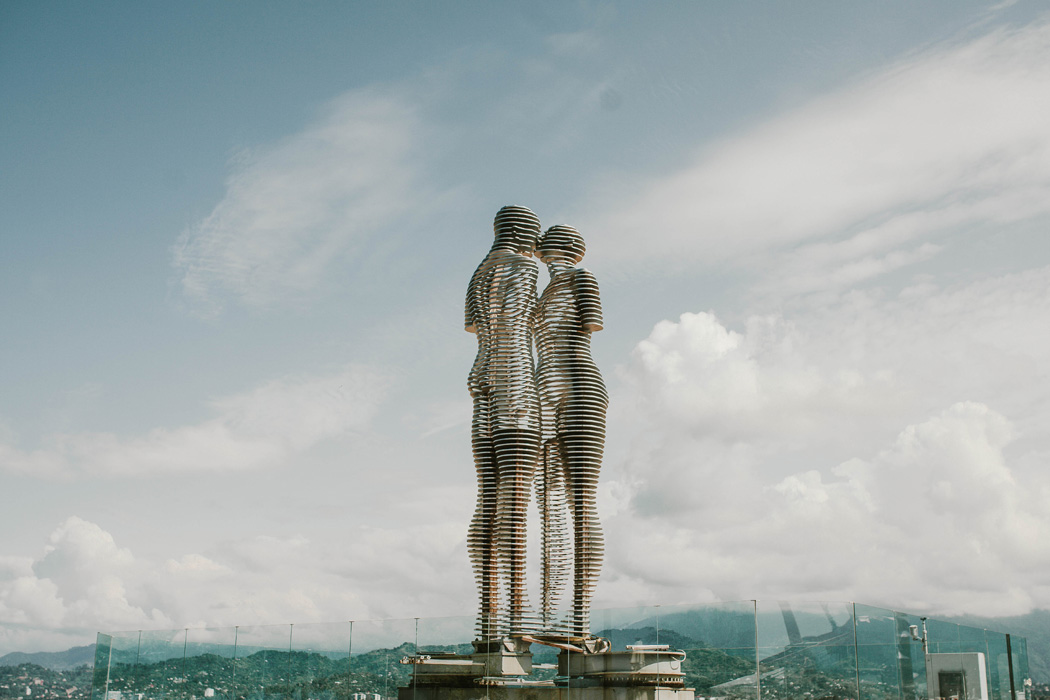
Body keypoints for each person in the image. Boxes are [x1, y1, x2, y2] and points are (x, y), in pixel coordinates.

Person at [465, 205, 543, 640]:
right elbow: (524, 327)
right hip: (515, 392)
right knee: (514, 502)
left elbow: (475, 331)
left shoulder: (478, 274)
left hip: (482, 391)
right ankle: (517, 614)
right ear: (524, 231)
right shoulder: (524, 268)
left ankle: (489, 615)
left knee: (486, 500)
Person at [534, 224, 607, 638]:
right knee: (549, 497)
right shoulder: (542, 293)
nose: (539, 246)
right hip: (548, 395)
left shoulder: (583, 278)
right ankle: (549, 614)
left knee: (580, 500)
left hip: (581, 390)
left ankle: (580, 616)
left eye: (547, 240)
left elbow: (589, 325)